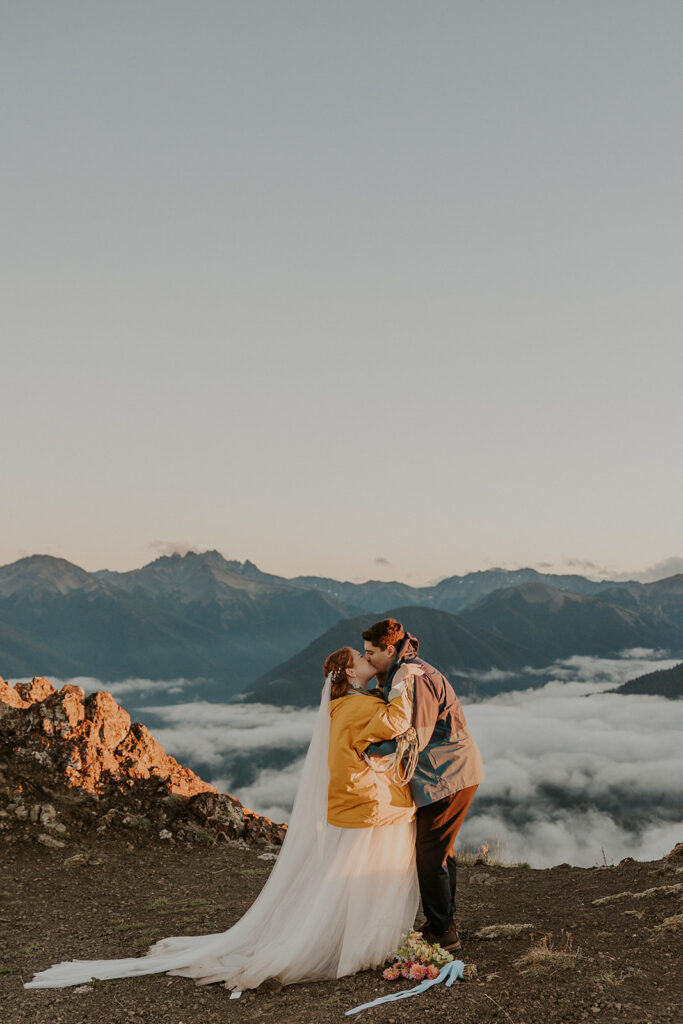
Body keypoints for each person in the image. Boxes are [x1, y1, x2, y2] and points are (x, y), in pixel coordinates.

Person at [24, 648, 421, 992]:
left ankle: (356, 939)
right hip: (366, 803)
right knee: (358, 870)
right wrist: (405, 682)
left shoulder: (343, 704)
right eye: (358, 657)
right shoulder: (356, 705)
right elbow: (395, 723)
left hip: (354, 802)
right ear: (349, 673)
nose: (365, 658)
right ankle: (359, 942)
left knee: (348, 871)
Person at [362, 618, 484, 951]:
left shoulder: (413, 678)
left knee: (429, 855)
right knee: (439, 850)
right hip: (448, 772)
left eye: (371, 653)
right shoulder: (403, 670)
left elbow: (414, 738)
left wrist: (369, 750)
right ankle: (443, 921)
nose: (366, 659)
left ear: (389, 649)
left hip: (448, 775)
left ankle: (443, 932)